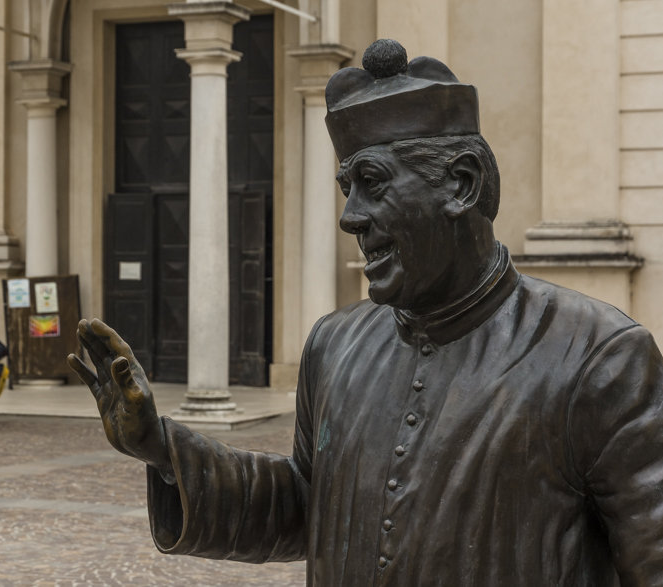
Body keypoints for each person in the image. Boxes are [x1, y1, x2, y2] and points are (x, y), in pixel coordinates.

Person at [68, 39, 663, 586]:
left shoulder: (599, 357)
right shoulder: (336, 343)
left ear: (460, 183)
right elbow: (305, 504)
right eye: (346, 187)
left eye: (373, 183)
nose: (351, 215)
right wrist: (163, 448)